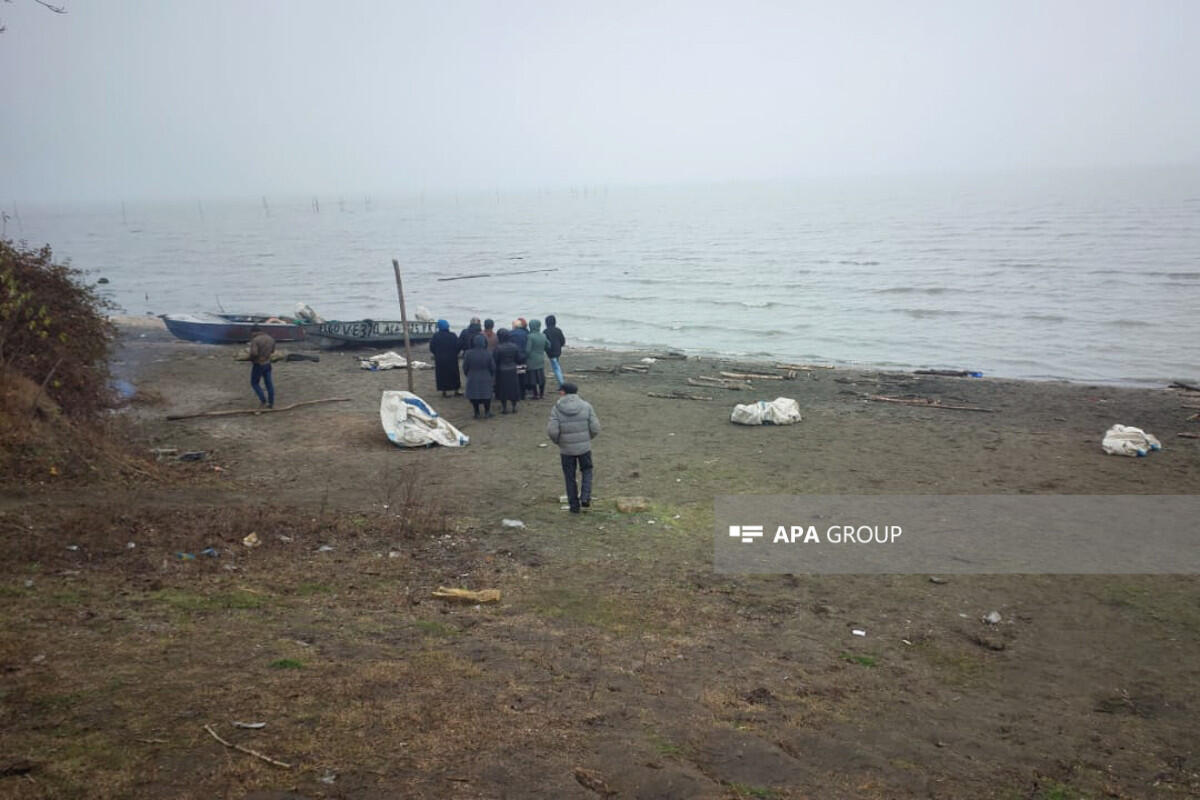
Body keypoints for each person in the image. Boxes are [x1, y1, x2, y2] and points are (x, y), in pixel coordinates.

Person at [547, 382, 600, 513]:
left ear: (563, 392)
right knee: (587, 470)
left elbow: (552, 431)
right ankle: (586, 497)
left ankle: (574, 507)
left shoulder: (556, 408)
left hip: (566, 450)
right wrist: (587, 439)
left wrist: (559, 442)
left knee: (569, 477)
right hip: (584, 448)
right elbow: (595, 428)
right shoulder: (586, 406)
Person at [461, 334, 495, 418]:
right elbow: (493, 367)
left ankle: (477, 413)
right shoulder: (488, 353)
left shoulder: (468, 353)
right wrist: (490, 375)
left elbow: (465, 367)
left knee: (474, 396)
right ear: (484, 342)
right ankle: (487, 412)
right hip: (485, 376)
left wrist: (468, 374)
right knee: (487, 396)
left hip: (472, 376)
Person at [428, 319, 462, 398]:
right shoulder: (452, 335)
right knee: (454, 374)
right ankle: (456, 390)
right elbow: (458, 346)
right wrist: (455, 353)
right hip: (452, 359)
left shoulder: (436, 336)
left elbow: (432, 347)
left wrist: (436, 354)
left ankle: (444, 392)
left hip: (440, 359)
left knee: (442, 375)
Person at [492, 328, 522, 414]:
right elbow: (519, 358)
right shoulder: (514, 346)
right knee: (513, 389)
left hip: (501, 371)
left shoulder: (498, 348)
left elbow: (495, 360)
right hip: (512, 369)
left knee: (503, 390)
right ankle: (514, 407)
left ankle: (504, 408)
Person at [248, 325, 276, 408]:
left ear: (254, 332)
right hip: (267, 363)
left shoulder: (255, 340)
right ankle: (271, 403)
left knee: (254, 383)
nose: (251, 335)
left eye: (252, 333)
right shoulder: (271, 338)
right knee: (269, 384)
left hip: (258, 364)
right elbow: (273, 351)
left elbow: (254, 353)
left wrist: (250, 358)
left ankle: (263, 399)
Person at [524, 319, 551, 400]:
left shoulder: (530, 336)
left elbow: (528, 350)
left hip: (531, 360)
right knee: (541, 377)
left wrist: (525, 356)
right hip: (540, 358)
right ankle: (542, 394)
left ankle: (535, 395)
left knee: (533, 378)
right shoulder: (543, 335)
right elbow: (549, 345)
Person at [509, 318, 530, 399]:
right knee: (522, 375)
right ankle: (522, 394)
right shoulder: (526, 333)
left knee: (514, 376)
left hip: (514, 357)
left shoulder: (510, 333)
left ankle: (515, 393)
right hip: (523, 356)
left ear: (514, 326)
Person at [544, 314, 566, 387]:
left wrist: (546, 349)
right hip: (558, 351)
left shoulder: (545, 331)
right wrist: (560, 346)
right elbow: (563, 341)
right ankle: (561, 384)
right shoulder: (558, 330)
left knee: (556, 368)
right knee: (556, 366)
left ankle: (562, 384)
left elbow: (545, 343)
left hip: (550, 352)